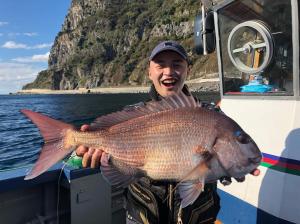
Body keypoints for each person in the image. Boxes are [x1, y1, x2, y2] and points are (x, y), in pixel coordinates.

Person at [75, 41, 260, 224]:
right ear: (149, 72)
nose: (169, 72)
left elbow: (213, 168)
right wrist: (100, 155)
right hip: (142, 216)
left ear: (188, 69)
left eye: (177, 64)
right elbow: (112, 163)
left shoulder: (212, 113)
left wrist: (231, 170)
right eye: (160, 65)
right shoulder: (132, 114)